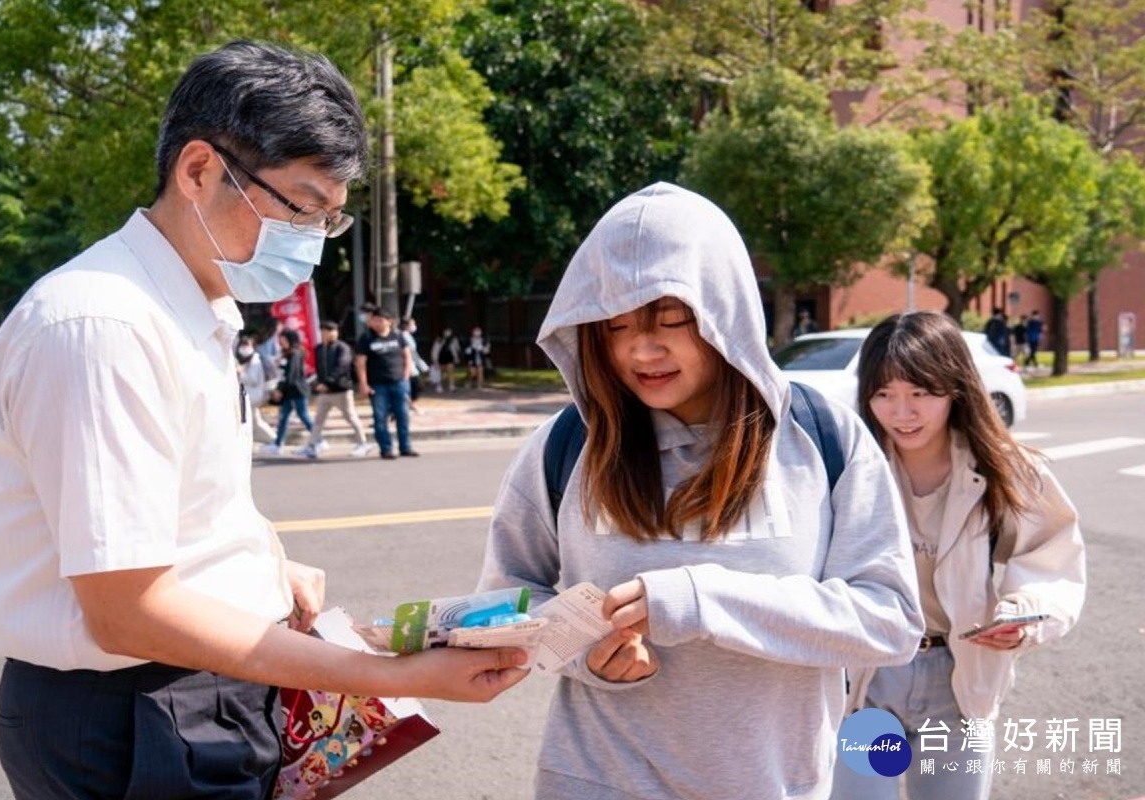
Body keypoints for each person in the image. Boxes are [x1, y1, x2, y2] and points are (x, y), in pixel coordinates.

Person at [0, 40, 526, 800]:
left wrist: (261, 564)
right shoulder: (103, 325)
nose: (311, 245)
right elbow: (128, 611)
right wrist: (384, 676)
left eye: (328, 219)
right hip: (136, 710)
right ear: (198, 171)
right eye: (298, 207)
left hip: (196, 690)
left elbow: (171, 515)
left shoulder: (197, 308)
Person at [476, 183, 923, 800]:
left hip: (774, 785)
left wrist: (703, 600)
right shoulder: (565, 446)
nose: (641, 348)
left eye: (671, 319)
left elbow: (890, 622)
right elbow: (508, 603)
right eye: (617, 324)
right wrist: (585, 653)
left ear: (724, 311)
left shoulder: (821, 438)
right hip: (595, 781)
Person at [834, 311, 1086, 800]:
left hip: (958, 681)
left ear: (954, 388)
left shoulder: (1007, 471)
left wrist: (1022, 617)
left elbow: (1051, 555)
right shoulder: (850, 466)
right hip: (871, 677)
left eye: (920, 395)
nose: (901, 412)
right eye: (884, 394)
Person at [355, 307, 418, 459]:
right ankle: (386, 448)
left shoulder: (398, 336)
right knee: (380, 417)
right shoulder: (366, 338)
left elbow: (407, 355)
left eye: (380, 320)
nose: (376, 323)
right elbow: (360, 362)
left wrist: (406, 375)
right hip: (378, 385)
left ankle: (406, 447)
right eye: (374, 320)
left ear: (389, 322)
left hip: (399, 382)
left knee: (402, 416)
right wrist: (363, 383)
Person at [301, 320, 370, 458]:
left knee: (350, 416)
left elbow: (342, 366)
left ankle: (363, 443)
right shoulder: (319, 348)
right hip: (324, 392)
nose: (331, 334)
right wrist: (319, 383)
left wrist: (328, 382)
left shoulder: (342, 347)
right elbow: (320, 368)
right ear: (322, 333)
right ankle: (312, 445)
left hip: (341, 390)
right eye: (327, 331)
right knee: (319, 420)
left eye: (334, 331)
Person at [262, 328, 316, 455]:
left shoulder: (295, 354)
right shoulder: (286, 354)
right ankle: (278, 443)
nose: (281, 342)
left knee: (303, 415)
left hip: (297, 390)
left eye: (283, 339)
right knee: (283, 418)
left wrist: (280, 389)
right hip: (288, 391)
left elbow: (291, 375)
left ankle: (318, 439)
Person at [238, 333, 278, 443]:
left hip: (253, 395)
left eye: (247, 345)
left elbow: (253, 379)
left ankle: (275, 440)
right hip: (249, 395)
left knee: (252, 421)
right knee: (255, 421)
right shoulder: (246, 360)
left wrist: (240, 374)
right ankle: (274, 439)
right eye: (243, 345)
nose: (244, 348)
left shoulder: (254, 360)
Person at [400, 317, 430, 414]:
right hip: (406, 365)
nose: (414, 326)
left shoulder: (408, 336)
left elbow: (414, 353)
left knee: (415, 386)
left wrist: (421, 364)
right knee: (413, 385)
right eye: (412, 324)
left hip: (412, 364)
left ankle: (410, 404)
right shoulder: (403, 336)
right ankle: (409, 405)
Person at [431, 326, 462, 392]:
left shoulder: (454, 339)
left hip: (450, 357)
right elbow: (435, 350)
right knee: (440, 372)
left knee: (451, 371)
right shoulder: (439, 339)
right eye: (446, 331)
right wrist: (435, 360)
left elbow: (457, 349)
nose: (448, 333)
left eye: (449, 331)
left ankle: (452, 385)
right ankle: (439, 385)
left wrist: (457, 358)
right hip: (441, 357)